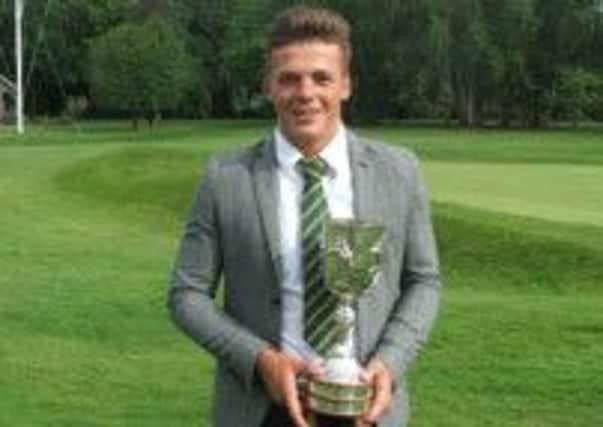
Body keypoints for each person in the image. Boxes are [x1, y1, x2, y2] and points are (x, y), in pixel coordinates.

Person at [168, 6, 441, 427]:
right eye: (289, 78)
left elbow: (423, 281)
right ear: (268, 86)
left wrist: (391, 363)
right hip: (260, 409)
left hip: (369, 408)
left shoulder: (399, 171)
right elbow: (186, 294)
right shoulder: (225, 177)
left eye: (322, 78)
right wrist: (260, 360)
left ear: (346, 85)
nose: (305, 92)